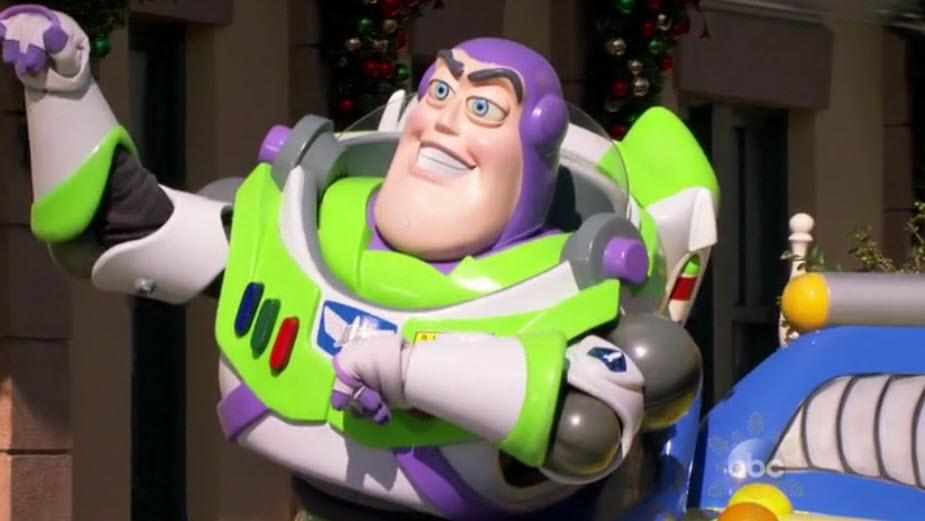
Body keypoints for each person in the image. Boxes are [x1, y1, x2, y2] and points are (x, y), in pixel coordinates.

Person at [0, 6, 707, 520]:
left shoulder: (564, 290)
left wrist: (414, 369)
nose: (445, 120)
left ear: (535, 146)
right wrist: (62, 87)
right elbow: (117, 228)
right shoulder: (307, 228)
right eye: (440, 92)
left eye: (483, 109)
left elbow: (588, 424)